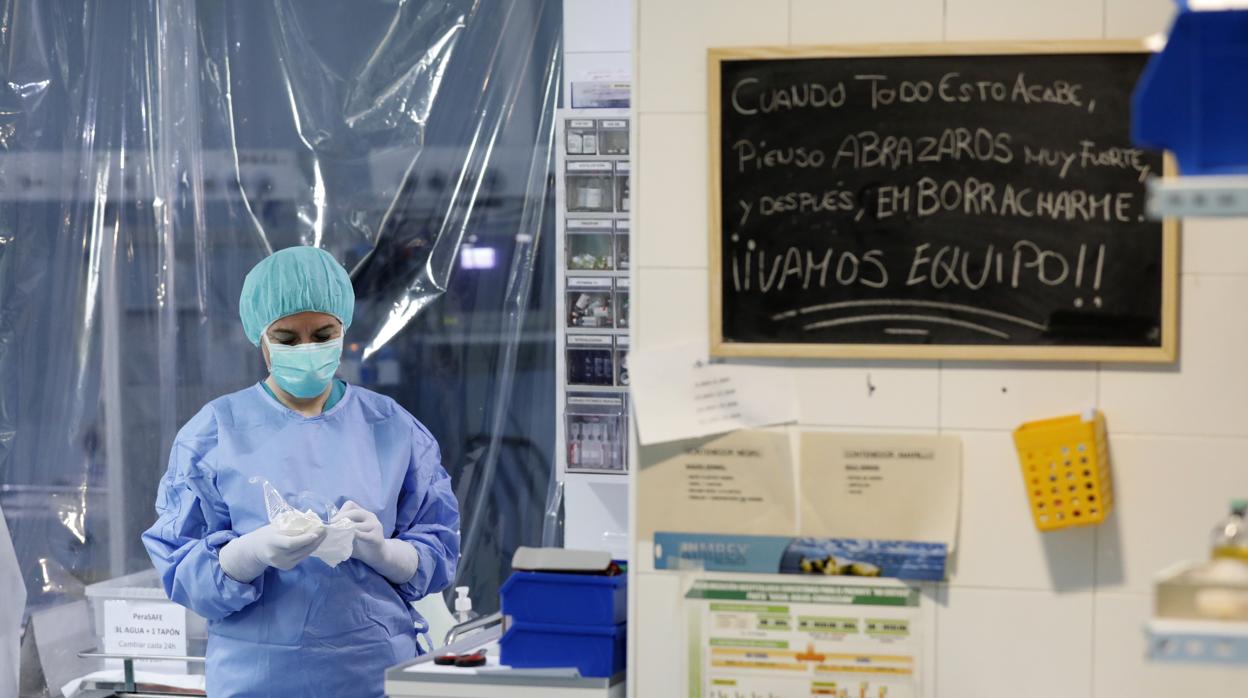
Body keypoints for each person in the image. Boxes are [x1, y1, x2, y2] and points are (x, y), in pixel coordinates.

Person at [142, 246, 460, 698]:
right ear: (262, 338)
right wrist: (249, 554)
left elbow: (437, 545)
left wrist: (385, 553)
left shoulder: (390, 427)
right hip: (257, 679)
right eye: (288, 339)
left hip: (372, 672)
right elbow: (182, 569)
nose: (307, 350)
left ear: (343, 329)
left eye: (323, 334)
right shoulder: (214, 433)